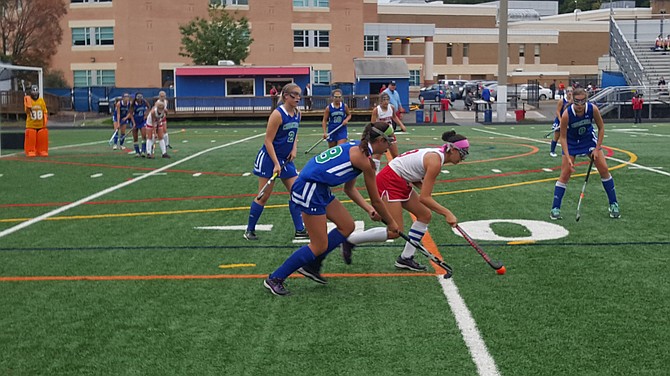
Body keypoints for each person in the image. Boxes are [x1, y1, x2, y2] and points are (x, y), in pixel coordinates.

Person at [263, 122, 400, 296]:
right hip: (310, 189)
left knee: (347, 226)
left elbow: (349, 189)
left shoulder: (357, 148)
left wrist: (368, 209)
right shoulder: (365, 161)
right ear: (380, 140)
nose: (391, 146)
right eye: (389, 141)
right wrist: (391, 223)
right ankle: (275, 278)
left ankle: (312, 265)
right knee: (319, 245)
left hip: (319, 188)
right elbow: (377, 201)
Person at [340, 131, 469, 270]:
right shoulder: (435, 161)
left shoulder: (437, 156)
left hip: (401, 180)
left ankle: (406, 258)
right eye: (462, 153)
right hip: (390, 181)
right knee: (395, 231)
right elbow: (424, 198)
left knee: (424, 215)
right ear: (453, 150)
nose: (463, 158)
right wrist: (447, 213)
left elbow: (414, 175)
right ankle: (350, 241)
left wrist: (424, 188)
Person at [244, 83, 307, 241]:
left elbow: (294, 133)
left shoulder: (298, 113)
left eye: (299, 95)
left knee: (297, 192)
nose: (298, 98)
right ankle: (249, 230)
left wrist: (293, 149)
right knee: (264, 196)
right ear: (286, 96)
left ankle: (300, 229)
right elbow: (268, 141)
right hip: (269, 159)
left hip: (285, 160)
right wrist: (276, 164)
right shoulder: (277, 114)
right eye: (295, 95)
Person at [550, 88, 620, 220]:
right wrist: (567, 156)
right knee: (565, 174)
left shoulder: (592, 109)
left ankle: (613, 204)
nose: (580, 105)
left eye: (583, 101)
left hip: (588, 140)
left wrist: (597, 148)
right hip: (571, 142)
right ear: (572, 101)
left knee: (604, 169)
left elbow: (601, 128)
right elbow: (563, 137)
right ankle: (555, 208)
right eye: (577, 102)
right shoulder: (566, 114)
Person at [371, 92, 406, 171]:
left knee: (395, 154)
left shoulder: (392, 108)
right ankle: (375, 174)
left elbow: (394, 117)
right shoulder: (376, 110)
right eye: (384, 100)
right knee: (377, 155)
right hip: (380, 135)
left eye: (387, 100)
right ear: (380, 101)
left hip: (390, 133)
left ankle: (395, 172)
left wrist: (401, 125)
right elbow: (373, 124)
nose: (386, 102)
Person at [23, 85, 48, 157]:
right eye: (33, 91)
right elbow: (27, 111)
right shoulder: (28, 100)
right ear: (30, 92)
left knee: (42, 135)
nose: (35, 93)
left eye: (36, 90)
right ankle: (31, 150)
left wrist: (45, 121)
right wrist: (27, 104)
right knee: (31, 135)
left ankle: (42, 150)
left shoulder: (41, 101)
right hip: (31, 125)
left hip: (40, 124)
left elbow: (44, 111)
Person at [549, 88, 572, 157]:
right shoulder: (562, 101)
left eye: (571, 91)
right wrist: (561, 120)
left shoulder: (573, 101)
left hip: (569, 121)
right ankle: (552, 151)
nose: (569, 93)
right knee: (557, 136)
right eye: (568, 91)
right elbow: (558, 112)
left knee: (570, 136)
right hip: (560, 120)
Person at [130, 93, 150, 157]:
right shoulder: (133, 105)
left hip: (142, 121)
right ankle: (137, 152)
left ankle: (143, 151)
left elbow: (149, 107)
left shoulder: (144, 102)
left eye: (141, 97)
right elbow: (131, 114)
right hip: (135, 121)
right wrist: (133, 123)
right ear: (136, 98)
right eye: (138, 97)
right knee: (135, 137)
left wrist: (146, 114)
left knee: (144, 135)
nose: (140, 98)